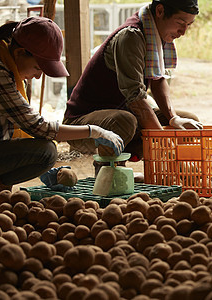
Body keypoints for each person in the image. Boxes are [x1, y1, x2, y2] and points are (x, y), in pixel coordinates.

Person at [0, 16, 124, 196]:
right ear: (19, 53)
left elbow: (24, 127)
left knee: (42, 151)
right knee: (46, 152)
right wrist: (93, 131)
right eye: (37, 68)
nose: (38, 77)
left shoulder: (9, 70)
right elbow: (37, 127)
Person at [63, 0, 203, 179]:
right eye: (181, 23)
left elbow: (158, 80)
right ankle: (108, 176)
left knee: (189, 122)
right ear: (160, 11)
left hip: (123, 116)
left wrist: (173, 118)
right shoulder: (131, 36)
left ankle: (155, 175)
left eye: (189, 25)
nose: (183, 32)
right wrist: (165, 145)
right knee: (124, 121)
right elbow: (135, 98)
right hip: (82, 124)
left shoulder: (158, 34)